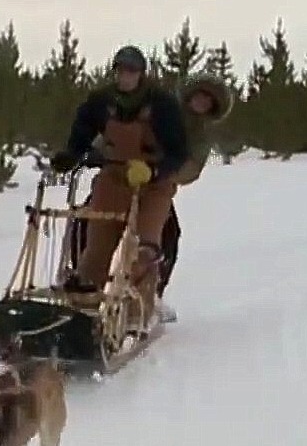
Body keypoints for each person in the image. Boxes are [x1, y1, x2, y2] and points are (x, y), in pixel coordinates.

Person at [60, 72, 233, 322]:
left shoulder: (199, 135)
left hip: (155, 186)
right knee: (91, 226)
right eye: (199, 96)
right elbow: (117, 134)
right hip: (119, 180)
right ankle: (84, 284)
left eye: (207, 101)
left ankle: (149, 298)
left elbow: (190, 167)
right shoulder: (161, 110)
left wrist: (160, 173)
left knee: (161, 238)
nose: (201, 103)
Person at [50, 46, 189, 326]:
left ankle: (136, 316)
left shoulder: (162, 105)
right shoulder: (100, 102)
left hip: (154, 185)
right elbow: (81, 136)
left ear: (141, 74)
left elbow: (179, 152)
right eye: (121, 71)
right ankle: (82, 312)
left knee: (144, 249)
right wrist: (71, 156)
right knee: (97, 247)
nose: (125, 77)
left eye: (131, 72)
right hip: (113, 179)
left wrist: (154, 170)